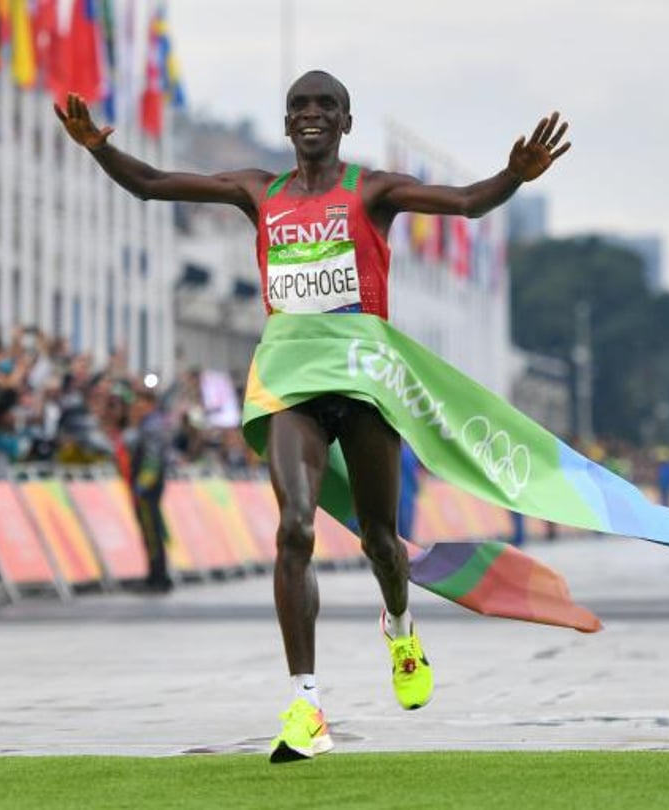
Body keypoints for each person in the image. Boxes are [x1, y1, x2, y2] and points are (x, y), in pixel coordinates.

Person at [56, 70, 569, 763]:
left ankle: (399, 624)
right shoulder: (255, 191)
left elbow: (468, 202)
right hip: (289, 383)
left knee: (380, 540)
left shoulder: (373, 190)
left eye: (326, 105)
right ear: (287, 121)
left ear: (345, 122)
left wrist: (511, 175)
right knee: (293, 530)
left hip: (361, 384)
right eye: (300, 105)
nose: (312, 114)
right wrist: (97, 148)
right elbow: (152, 183)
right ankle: (306, 703)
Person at [126, 387, 173, 594]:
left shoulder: (151, 426)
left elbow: (153, 458)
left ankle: (157, 577)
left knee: (151, 532)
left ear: (150, 404)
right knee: (151, 530)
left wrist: (142, 485)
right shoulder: (152, 423)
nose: (137, 408)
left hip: (148, 487)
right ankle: (156, 574)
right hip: (151, 485)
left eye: (141, 404)